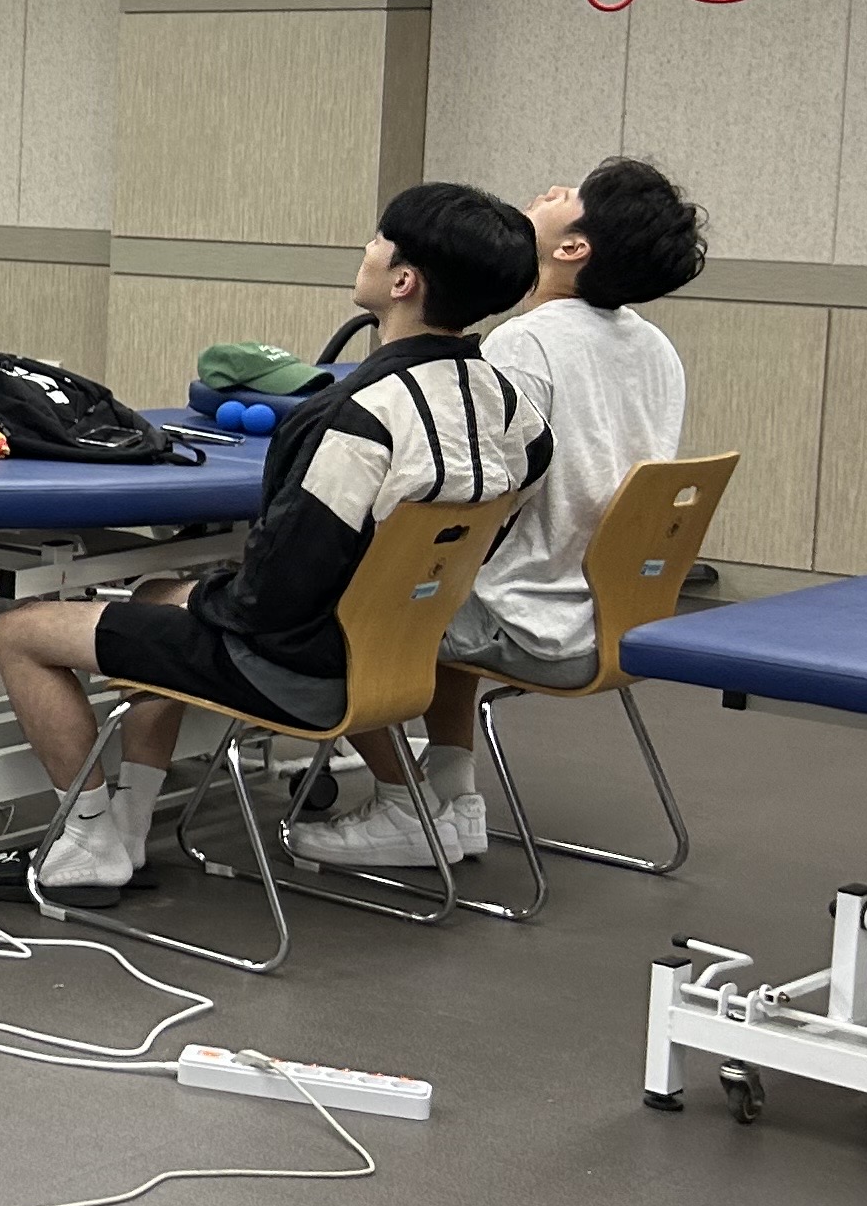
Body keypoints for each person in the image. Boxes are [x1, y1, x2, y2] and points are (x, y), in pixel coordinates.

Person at [0, 183, 548, 909]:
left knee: (21, 632)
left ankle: (88, 839)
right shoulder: (512, 407)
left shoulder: (357, 420)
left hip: (299, 672)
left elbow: (273, 602)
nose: (367, 250)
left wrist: (208, 594)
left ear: (403, 281)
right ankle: (127, 824)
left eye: (378, 241)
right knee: (157, 597)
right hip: (403, 653)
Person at [302, 155, 705, 871]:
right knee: (443, 584)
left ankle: (404, 811)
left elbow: (472, 488)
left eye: (569, 193)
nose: (551, 189)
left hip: (530, 616)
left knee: (332, 601)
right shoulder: (654, 346)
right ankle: (455, 800)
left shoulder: (525, 343)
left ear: (572, 247)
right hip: (612, 612)